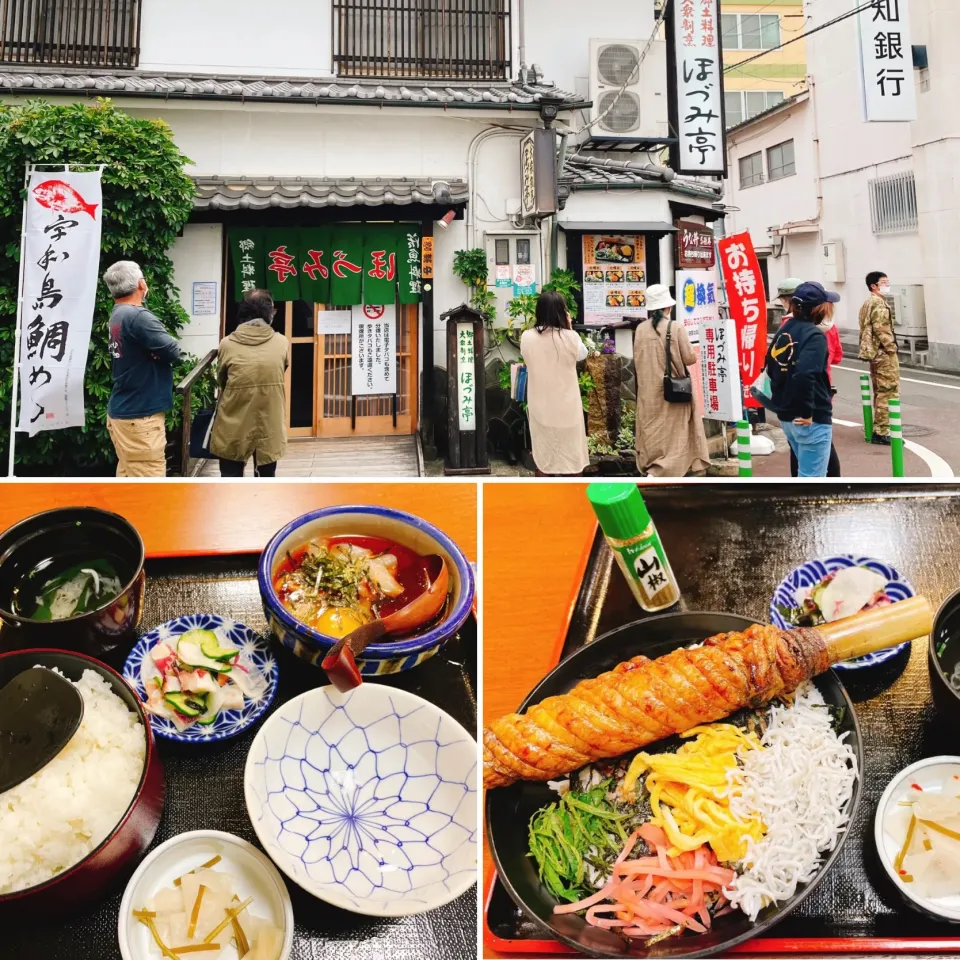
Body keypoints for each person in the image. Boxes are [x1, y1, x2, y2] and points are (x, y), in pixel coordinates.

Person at [104, 260, 181, 478]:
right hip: (141, 417)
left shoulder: (118, 314)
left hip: (124, 410)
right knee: (150, 486)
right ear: (140, 284)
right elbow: (173, 350)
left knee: (129, 478)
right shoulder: (138, 316)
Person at [209, 289, 289, 478]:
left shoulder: (227, 344)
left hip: (233, 419)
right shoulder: (282, 342)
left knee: (230, 477)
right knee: (266, 476)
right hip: (269, 420)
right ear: (269, 313)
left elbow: (222, 380)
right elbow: (282, 368)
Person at [633, 284, 710, 477]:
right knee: (676, 431)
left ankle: (652, 467)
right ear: (668, 307)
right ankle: (667, 470)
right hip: (673, 390)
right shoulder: (675, 327)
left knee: (652, 430)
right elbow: (690, 358)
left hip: (647, 391)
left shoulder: (640, 329)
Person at [767, 281, 839, 477]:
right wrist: (807, 412)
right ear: (819, 308)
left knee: (804, 473)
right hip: (811, 417)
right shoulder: (815, 335)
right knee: (812, 480)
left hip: (787, 413)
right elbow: (806, 374)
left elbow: (771, 366)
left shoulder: (786, 328)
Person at [520, 291, 590, 477]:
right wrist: (569, 327)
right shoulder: (571, 338)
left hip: (540, 405)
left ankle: (545, 495)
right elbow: (583, 355)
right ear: (562, 312)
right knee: (572, 454)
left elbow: (525, 356)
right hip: (568, 406)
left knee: (543, 453)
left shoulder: (527, 337)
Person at [858, 271, 899, 446]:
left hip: (874, 352)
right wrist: (891, 348)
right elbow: (882, 329)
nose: (887, 284)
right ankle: (882, 431)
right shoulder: (879, 303)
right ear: (873, 286)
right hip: (883, 353)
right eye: (883, 282)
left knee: (879, 390)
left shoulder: (868, 302)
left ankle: (878, 428)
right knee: (888, 390)